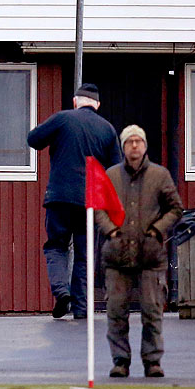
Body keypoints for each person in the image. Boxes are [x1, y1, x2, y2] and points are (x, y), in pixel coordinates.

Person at [27, 82, 122, 319]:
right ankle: (81, 309)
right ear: (98, 105)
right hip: (89, 201)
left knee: (56, 246)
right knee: (84, 253)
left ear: (75, 102)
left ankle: (61, 292)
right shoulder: (108, 129)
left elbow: (33, 139)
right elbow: (117, 170)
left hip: (59, 197)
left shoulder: (62, 119)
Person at [96, 124, 183, 379]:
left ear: (145, 146)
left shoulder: (160, 175)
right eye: (129, 142)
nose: (134, 145)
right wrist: (111, 231)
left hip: (150, 256)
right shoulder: (110, 176)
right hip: (116, 255)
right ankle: (120, 361)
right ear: (123, 147)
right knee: (116, 312)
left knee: (152, 311)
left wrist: (157, 231)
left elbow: (175, 209)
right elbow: (98, 208)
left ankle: (152, 361)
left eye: (138, 141)